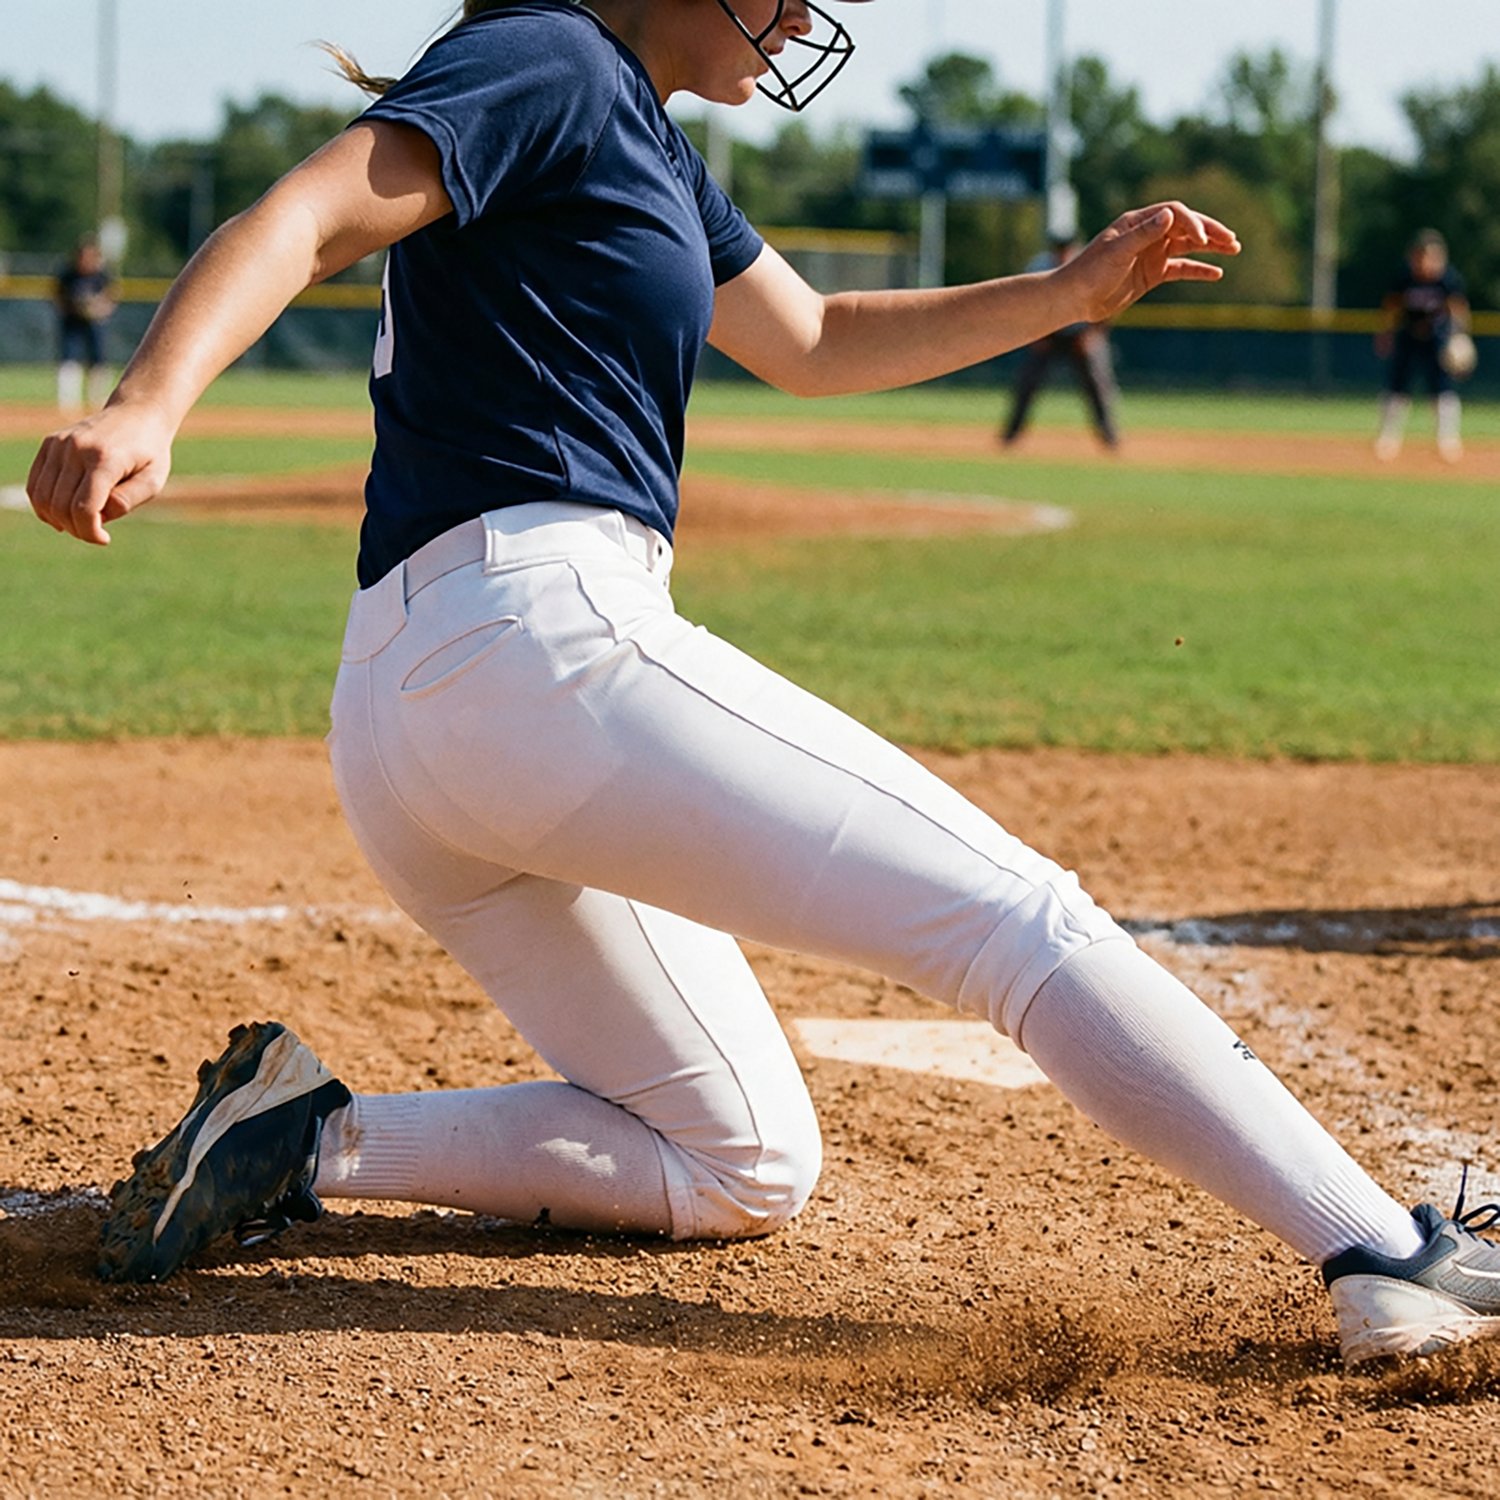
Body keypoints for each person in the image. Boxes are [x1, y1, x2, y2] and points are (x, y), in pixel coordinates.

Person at [25, 0, 1500, 1367]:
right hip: (536, 643)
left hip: (428, 710)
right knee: (1020, 920)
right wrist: (149, 399)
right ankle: (1385, 1249)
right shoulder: (555, 58)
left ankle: (301, 1145)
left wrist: (1064, 290)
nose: (799, 17)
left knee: (742, 1156)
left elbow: (812, 340)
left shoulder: (642, 131)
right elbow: (303, 216)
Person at [1000, 233, 1119, 451]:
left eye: (1065, 250)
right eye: (1058, 250)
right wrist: (1035, 335)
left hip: (1080, 333)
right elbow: (1026, 303)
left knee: (1097, 383)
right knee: (1028, 381)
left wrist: (1092, 335)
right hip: (1048, 333)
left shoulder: (1089, 265)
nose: (1061, 255)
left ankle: (1109, 436)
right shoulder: (1039, 266)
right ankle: (1010, 436)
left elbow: (1109, 301)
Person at [1374, 228, 1471, 463]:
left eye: (1432, 257)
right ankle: (1388, 438)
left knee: (1442, 390)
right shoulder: (1405, 277)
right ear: (1413, 256)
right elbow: (1391, 305)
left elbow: (1458, 308)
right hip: (1408, 337)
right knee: (1397, 387)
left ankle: (1447, 440)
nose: (1426, 262)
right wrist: (1385, 333)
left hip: (1437, 339)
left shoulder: (1447, 279)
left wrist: (1460, 336)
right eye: (1421, 256)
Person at [54, 236, 117, 415]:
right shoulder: (68, 275)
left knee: (98, 360)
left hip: (96, 323)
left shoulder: (102, 276)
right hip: (73, 321)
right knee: (69, 359)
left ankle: (97, 399)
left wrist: (98, 309)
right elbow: (57, 297)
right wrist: (75, 307)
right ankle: (67, 403)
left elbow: (111, 297)